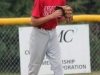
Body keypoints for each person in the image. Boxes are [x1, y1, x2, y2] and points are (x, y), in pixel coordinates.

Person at [28, 0, 72, 75]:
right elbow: (33, 22)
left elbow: (56, 21)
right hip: (39, 34)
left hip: (53, 33)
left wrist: (64, 17)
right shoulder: (40, 1)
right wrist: (52, 16)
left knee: (58, 65)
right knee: (34, 66)